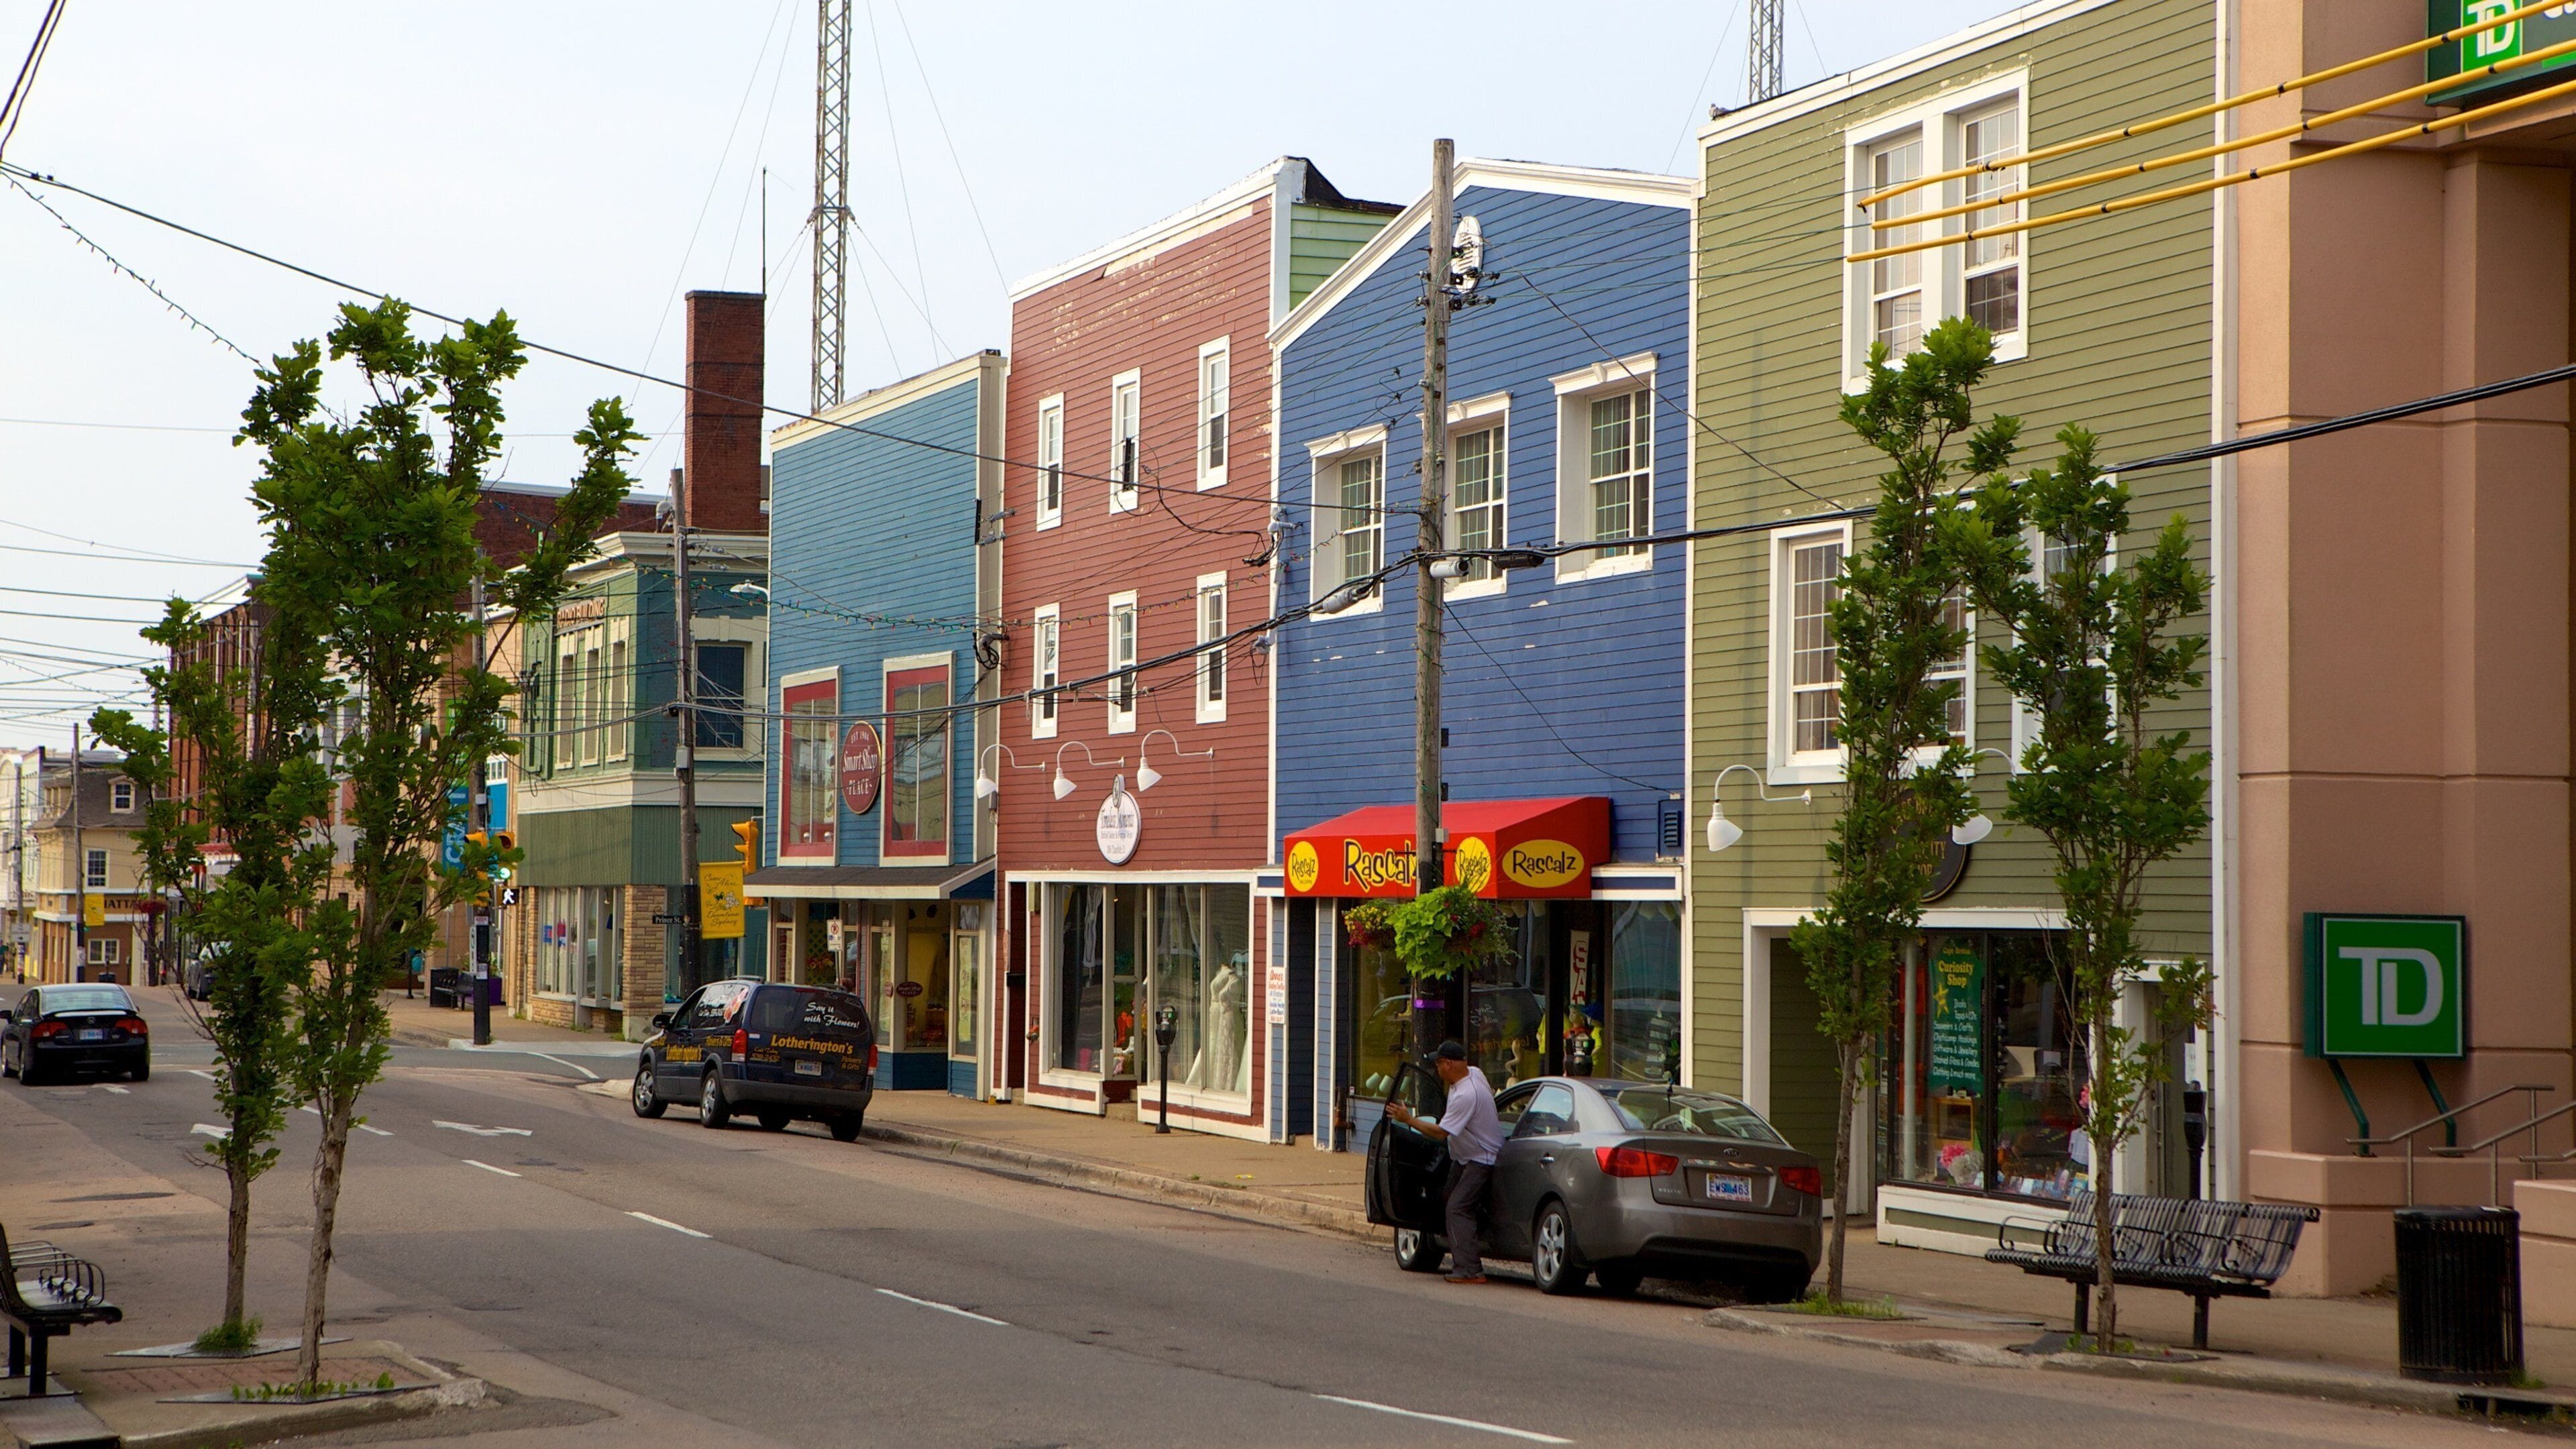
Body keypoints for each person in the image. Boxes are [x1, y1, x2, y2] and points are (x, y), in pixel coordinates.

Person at [1385, 1038, 1503, 1284]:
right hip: (1463, 1157)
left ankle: (1470, 1270)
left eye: (1438, 1064)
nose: (1436, 1069)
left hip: (1481, 1158)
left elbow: (1441, 1133)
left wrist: (1408, 1120)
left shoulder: (1466, 1095)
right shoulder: (1475, 1073)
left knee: (1457, 1208)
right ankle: (1455, 1245)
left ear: (1448, 1064)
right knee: (1447, 1198)